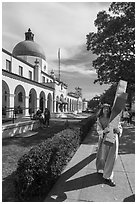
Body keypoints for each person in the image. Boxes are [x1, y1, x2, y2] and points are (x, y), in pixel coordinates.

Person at [96, 103, 123, 187]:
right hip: (104, 140)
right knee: (103, 157)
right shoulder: (99, 119)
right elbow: (98, 129)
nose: (106, 110)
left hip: (113, 140)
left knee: (112, 158)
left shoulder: (114, 118)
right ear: (102, 109)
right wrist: (103, 131)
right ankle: (103, 170)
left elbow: (119, 127)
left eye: (108, 108)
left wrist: (118, 130)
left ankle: (108, 177)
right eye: (104, 108)